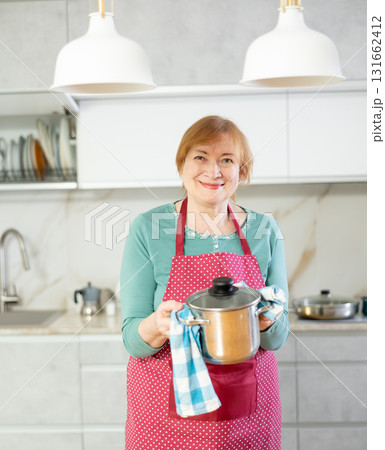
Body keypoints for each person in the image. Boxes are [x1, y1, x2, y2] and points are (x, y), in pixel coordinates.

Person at [120, 115, 290, 449]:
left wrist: (265, 317)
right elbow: (132, 339)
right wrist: (158, 324)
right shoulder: (147, 228)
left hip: (248, 409)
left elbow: (278, 338)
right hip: (164, 414)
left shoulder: (265, 231)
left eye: (227, 160)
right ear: (181, 164)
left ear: (241, 171)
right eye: (201, 157)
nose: (214, 172)